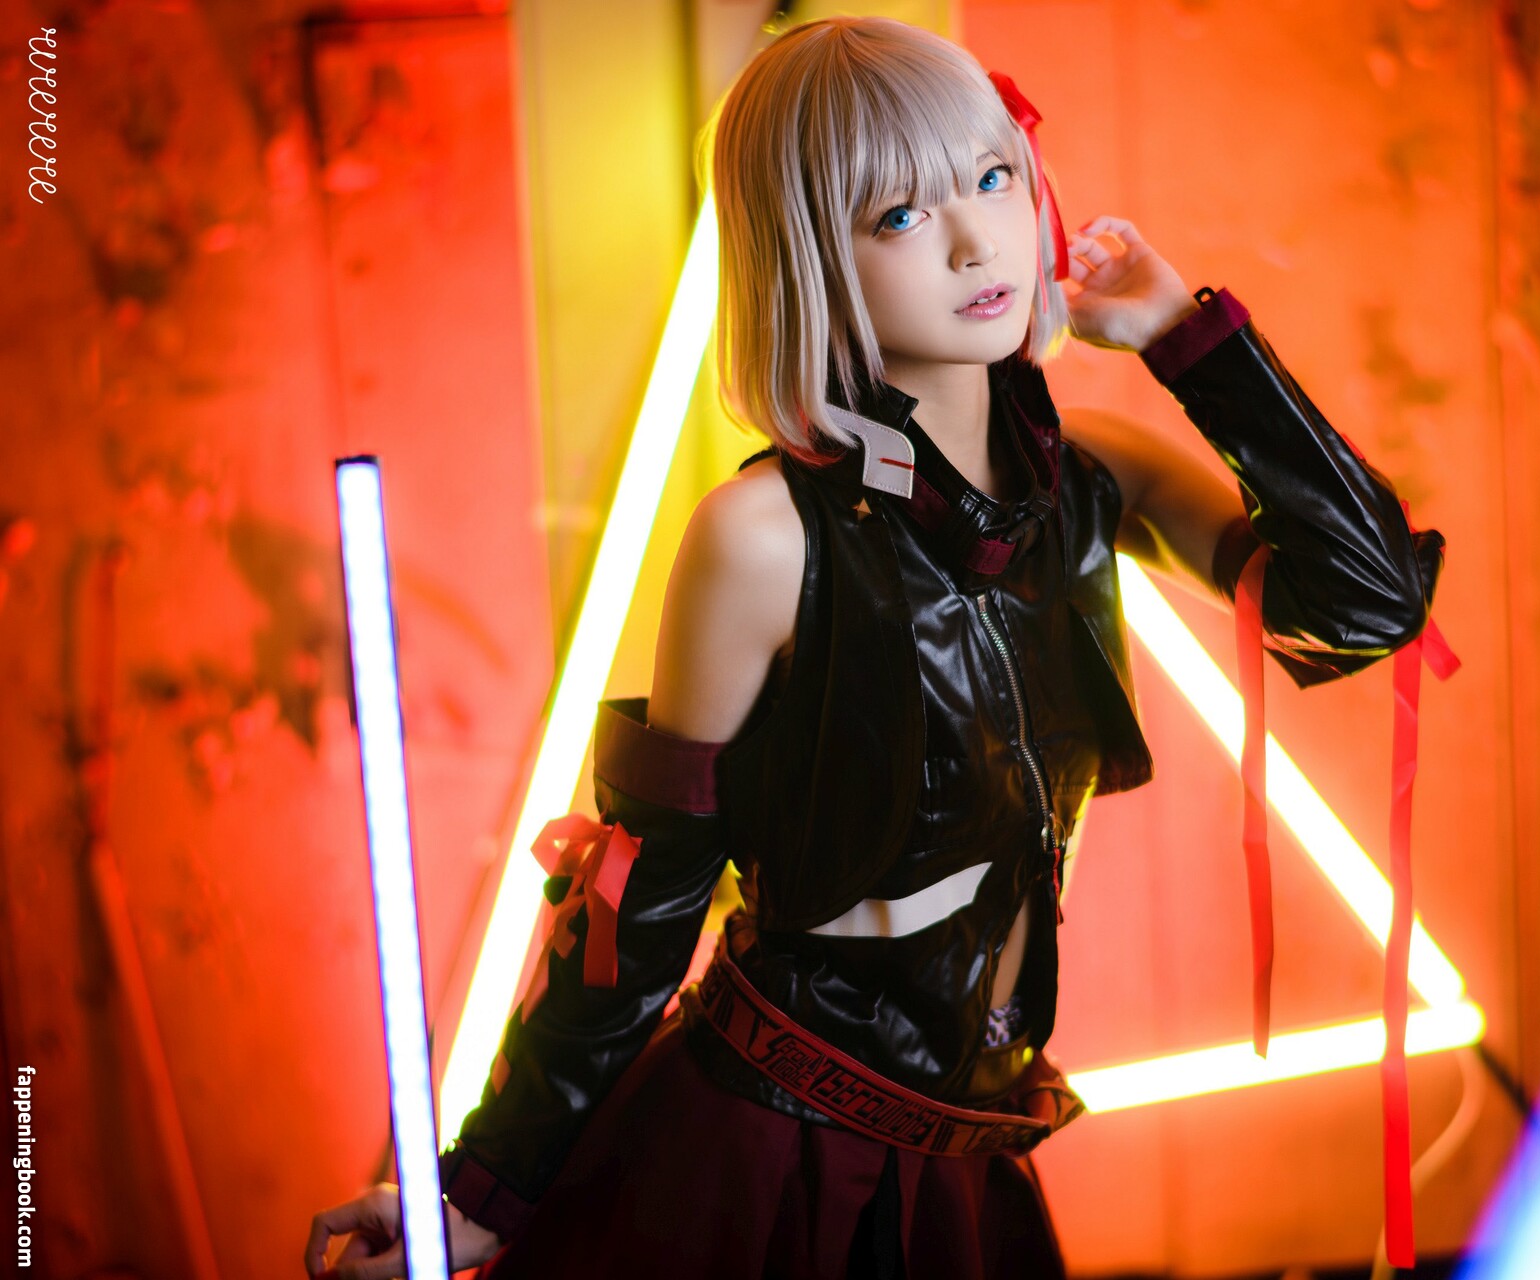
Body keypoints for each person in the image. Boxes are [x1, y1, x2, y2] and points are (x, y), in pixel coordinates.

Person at [305, 14, 1444, 1279]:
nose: (974, 240)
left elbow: (1369, 603)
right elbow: (647, 893)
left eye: (993, 176)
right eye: (898, 214)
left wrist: (1190, 338)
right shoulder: (759, 538)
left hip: (973, 1157)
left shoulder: (1090, 480)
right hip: (773, 1157)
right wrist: (481, 1188)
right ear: (810, 258)